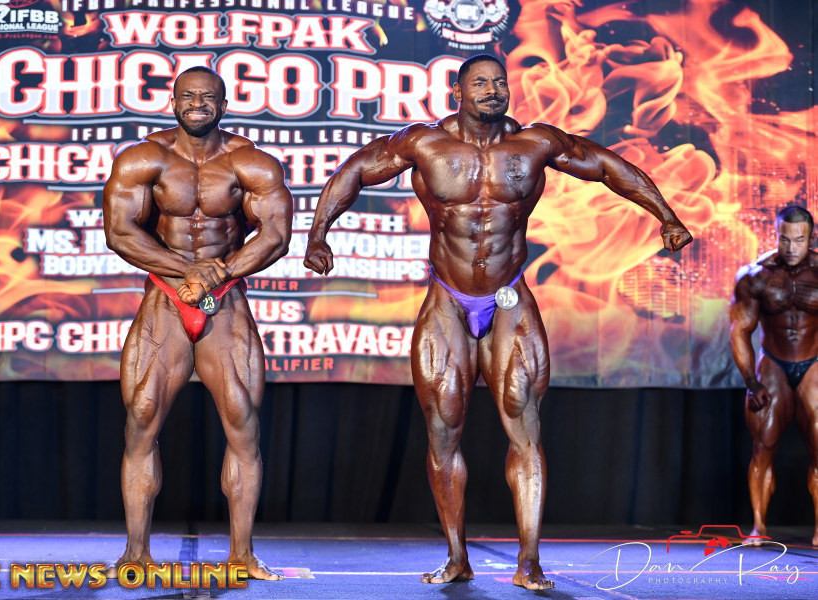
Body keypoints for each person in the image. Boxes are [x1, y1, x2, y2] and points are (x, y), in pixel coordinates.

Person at [303, 54, 692, 589]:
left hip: (510, 298)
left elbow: (606, 166)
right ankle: (456, 556)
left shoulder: (535, 144)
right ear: (458, 92)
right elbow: (354, 171)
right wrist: (318, 235)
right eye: (480, 83)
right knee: (443, 430)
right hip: (447, 300)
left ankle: (529, 561)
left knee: (525, 425)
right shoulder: (424, 143)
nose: (492, 90)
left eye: (499, 82)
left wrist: (666, 216)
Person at [103, 66, 293, 579]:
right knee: (142, 419)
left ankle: (242, 555)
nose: (197, 104)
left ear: (223, 105)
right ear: (173, 102)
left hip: (225, 299)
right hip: (165, 297)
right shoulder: (144, 158)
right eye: (188, 96)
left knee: (243, 424)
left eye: (208, 97)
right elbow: (120, 233)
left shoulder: (250, 162)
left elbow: (275, 236)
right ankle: (136, 554)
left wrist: (218, 273)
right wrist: (187, 270)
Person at [730, 205, 818, 547]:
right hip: (774, 364)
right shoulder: (756, 276)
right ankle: (758, 527)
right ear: (776, 235)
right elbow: (740, 331)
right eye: (785, 239)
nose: (791, 247)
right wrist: (751, 382)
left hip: (813, 362)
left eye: (799, 240)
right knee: (762, 445)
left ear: (811, 238)